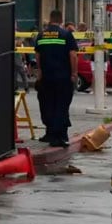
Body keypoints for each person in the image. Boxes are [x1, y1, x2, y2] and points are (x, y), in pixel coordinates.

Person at [34, 9, 78, 147]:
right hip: (63, 77)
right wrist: (74, 73)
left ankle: (50, 133)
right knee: (62, 105)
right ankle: (59, 136)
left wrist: (39, 72)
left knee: (48, 104)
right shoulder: (66, 34)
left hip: (46, 77)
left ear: (50, 19)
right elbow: (73, 55)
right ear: (61, 20)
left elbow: (37, 56)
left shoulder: (41, 35)